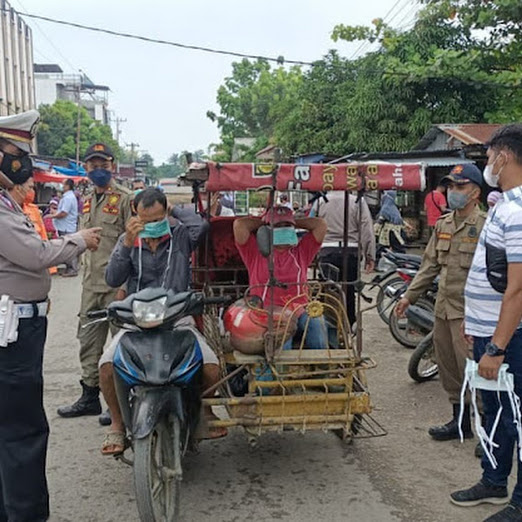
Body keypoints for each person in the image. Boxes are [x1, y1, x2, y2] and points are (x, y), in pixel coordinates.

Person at [0, 109, 101, 522]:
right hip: (13, 331)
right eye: (14, 153)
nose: (21, 164)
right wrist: (78, 239)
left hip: (19, 323)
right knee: (22, 429)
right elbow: (35, 255)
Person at [98, 188, 226, 453]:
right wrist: (127, 243)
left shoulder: (180, 236)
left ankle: (204, 411)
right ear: (135, 213)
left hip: (178, 317)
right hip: (136, 322)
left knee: (211, 366)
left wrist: (173, 211)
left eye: (158, 219)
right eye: (146, 220)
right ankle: (117, 426)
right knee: (107, 367)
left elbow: (200, 225)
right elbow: (112, 278)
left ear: (165, 214)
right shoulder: (128, 239)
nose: (152, 225)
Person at [450, 125, 522, 521]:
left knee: (516, 416)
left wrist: (495, 345)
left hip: (509, 339)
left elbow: (517, 290)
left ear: (504, 157)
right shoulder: (504, 206)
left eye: (489, 156)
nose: (487, 165)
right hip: (487, 332)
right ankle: (494, 481)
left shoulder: (518, 212)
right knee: (494, 411)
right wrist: (476, 328)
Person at [395, 164, 486, 445]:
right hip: (444, 311)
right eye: (451, 186)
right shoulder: (444, 225)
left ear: (475, 192)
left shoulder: (485, 225)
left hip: (470, 314)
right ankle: (459, 423)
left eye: (460, 187)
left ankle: (488, 434)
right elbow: (429, 265)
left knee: (476, 372)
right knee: (449, 368)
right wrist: (409, 296)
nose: (452, 192)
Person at [57, 143, 132, 419]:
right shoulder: (86, 199)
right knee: (88, 342)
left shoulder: (125, 199)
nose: (98, 169)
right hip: (90, 286)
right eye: (93, 165)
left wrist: (126, 287)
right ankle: (90, 397)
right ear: (86, 168)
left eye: (103, 164)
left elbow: (133, 244)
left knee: (119, 346)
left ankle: (120, 404)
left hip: (116, 288)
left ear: (113, 165)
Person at [233, 206, 328, 349]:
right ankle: (282, 369)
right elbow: (239, 225)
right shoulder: (256, 251)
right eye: (278, 227)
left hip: (299, 308)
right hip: (267, 311)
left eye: (287, 227)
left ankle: (322, 366)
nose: (283, 229)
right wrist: (266, 222)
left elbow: (320, 225)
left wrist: (292, 221)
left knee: (317, 324)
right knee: (283, 341)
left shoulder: (301, 252)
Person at [316, 191, 376, 327]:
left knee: (328, 292)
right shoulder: (357, 201)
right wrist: (370, 255)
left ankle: (328, 325)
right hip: (351, 253)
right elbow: (367, 229)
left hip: (327, 252)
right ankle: (348, 327)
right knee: (349, 292)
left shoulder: (321, 201)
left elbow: (313, 225)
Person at [22, 185, 58, 276]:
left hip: (35, 258)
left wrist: (50, 266)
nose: (32, 191)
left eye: (33, 188)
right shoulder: (7, 208)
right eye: (29, 187)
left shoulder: (34, 209)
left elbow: (43, 235)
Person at [50, 178, 79, 277]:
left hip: (67, 226)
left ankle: (73, 269)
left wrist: (52, 216)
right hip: (64, 226)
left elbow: (63, 213)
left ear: (67, 186)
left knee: (69, 248)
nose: (61, 186)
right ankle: (69, 268)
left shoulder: (68, 198)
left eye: (63, 184)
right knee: (67, 248)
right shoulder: (67, 197)